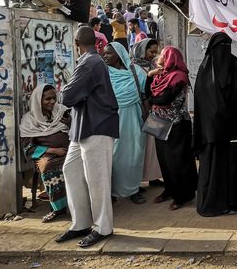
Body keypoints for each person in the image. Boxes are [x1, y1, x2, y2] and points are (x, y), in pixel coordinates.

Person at [55, 27, 119, 248]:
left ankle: (103, 227)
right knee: (70, 170)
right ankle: (80, 223)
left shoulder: (90, 63)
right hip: (83, 127)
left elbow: (67, 96)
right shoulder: (91, 61)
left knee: (97, 181)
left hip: (97, 127)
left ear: (76, 42)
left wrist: (64, 89)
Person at [193, 32, 237, 217]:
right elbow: (201, 104)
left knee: (232, 166)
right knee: (213, 166)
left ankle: (232, 202)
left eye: (228, 46)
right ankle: (212, 204)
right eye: (221, 47)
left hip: (231, 131)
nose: (224, 51)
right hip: (213, 132)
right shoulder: (205, 70)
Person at [148, 46, 198, 210]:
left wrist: (149, 100)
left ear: (171, 57)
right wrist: (150, 75)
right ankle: (169, 190)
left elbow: (165, 99)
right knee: (164, 160)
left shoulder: (179, 77)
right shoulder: (161, 76)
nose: (159, 56)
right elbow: (149, 91)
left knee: (177, 161)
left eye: (163, 54)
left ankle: (182, 196)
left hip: (176, 125)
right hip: (159, 122)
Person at [102, 43, 147, 204]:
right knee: (113, 156)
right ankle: (112, 192)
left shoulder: (136, 71)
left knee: (134, 155)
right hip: (112, 120)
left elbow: (145, 92)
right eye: (104, 53)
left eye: (108, 54)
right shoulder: (104, 73)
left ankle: (133, 189)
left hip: (134, 119)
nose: (105, 56)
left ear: (119, 55)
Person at [19, 84, 71, 223]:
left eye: (54, 98)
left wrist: (71, 123)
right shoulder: (29, 120)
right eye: (47, 99)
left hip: (69, 151)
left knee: (82, 163)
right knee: (48, 166)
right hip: (47, 155)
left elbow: (77, 129)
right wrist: (53, 150)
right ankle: (58, 208)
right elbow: (27, 146)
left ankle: (79, 204)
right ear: (38, 100)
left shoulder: (62, 111)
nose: (52, 102)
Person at [130, 38, 163, 187]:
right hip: (140, 110)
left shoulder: (152, 66)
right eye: (150, 51)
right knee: (139, 146)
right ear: (142, 50)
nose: (152, 54)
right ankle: (136, 180)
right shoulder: (133, 68)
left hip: (152, 110)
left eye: (155, 52)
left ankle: (153, 177)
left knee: (152, 146)